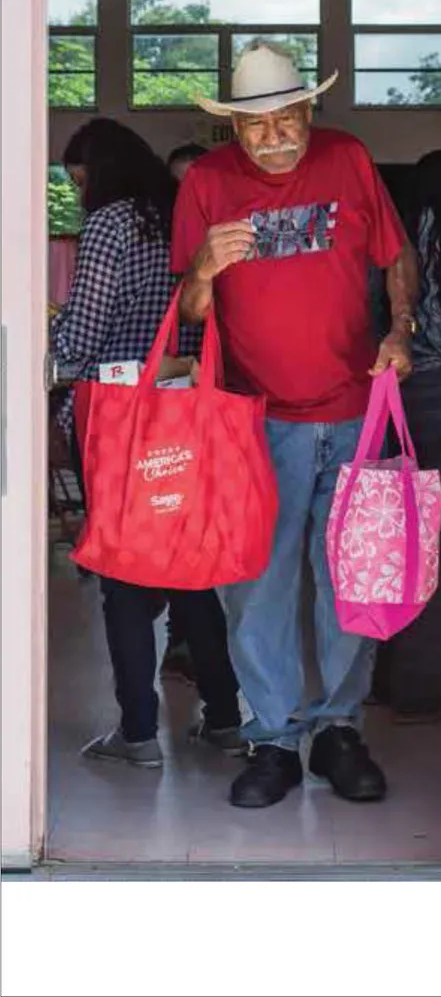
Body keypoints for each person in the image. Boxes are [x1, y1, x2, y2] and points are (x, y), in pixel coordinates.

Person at [173, 40, 419, 810]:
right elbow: (189, 313)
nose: (275, 135)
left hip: (354, 409)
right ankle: (273, 739)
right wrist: (204, 268)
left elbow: (396, 254)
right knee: (256, 590)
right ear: (232, 128)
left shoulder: (347, 159)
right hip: (254, 423)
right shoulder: (208, 184)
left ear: (311, 110)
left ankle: (339, 730)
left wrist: (400, 328)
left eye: (288, 118)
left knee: (351, 581)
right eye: (256, 124)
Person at [49, 118, 244, 770]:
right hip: (182, 406)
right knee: (188, 568)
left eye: (81, 181)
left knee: (124, 575)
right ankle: (224, 717)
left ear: (100, 174)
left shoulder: (111, 223)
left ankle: (137, 731)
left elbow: (83, 334)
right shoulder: (177, 213)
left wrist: (47, 350)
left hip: (123, 417)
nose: (80, 194)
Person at [371, 149, 441, 724]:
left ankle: (381, 672)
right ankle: (418, 684)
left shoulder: (401, 236)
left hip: (394, 394)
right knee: (440, 544)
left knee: (391, 538)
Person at [157, 142, 212, 687]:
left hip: (216, 397)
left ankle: (200, 646)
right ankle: (183, 638)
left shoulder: (228, 241)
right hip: (171, 398)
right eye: (177, 184)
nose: (185, 194)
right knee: (177, 520)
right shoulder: (165, 243)